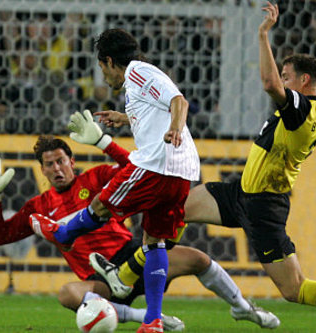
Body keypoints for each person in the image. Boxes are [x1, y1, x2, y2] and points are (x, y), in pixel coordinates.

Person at [97, 2, 316, 333]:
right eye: (282, 73)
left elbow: (268, 83)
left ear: (304, 81)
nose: (282, 78)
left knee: (294, 289)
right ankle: (123, 277)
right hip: (241, 191)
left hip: (264, 206)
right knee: (173, 208)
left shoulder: (301, 111)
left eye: (287, 75)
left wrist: (264, 35)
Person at [25, 28, 274, 333]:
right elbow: (156, 109)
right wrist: (126, 118)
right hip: (181, 172)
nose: (103, 76)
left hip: (159, 164)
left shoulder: (138, 73)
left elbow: (178, 102)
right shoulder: (136, 87)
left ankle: (64, 233)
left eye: (102, 68)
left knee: (101, 203)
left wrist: (175, 129)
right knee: (153, 243)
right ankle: (152, 320)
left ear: (109, 61)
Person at [0, 134, 279, 331]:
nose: (57, 168)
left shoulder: (96, 176)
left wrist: (104, 141)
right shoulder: (39, 205)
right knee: (68, 293)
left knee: (199, 259)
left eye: (61, 161)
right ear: (42, 171)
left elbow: (136, 168)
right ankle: (149, 317)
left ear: (72, 162)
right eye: (50, 164)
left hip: (133, 256)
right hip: (101, 281)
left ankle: (243, 308)